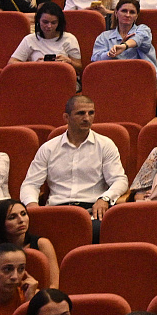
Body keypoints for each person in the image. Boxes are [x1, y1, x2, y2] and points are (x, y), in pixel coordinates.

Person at [19, 95, 126, 233]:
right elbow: (30, 184)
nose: (87, 118)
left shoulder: (105, 145)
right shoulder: (49, 148)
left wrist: (105, 198)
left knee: (100, 230)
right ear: (66, 117)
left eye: (91, 113)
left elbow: (119, 180)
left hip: (91, 210)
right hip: (56, 210)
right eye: (81, 113)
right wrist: (32, 205)